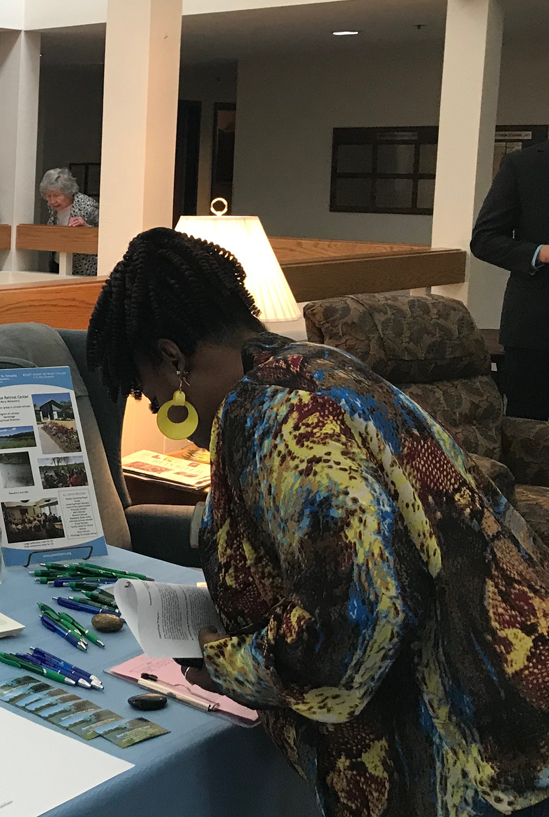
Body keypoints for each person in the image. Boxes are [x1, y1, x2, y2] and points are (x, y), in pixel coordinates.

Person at [86, 227, 549, 817]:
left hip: (469, 756)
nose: (166, 417)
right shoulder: (322, 369)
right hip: (512, 702)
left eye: (153, 399)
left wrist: (225, 664)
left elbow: (358, 615)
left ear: (173, 359)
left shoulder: (274, 418)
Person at [471, 141, 549, 420]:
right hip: (537, 330)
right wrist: (540, 253)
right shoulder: (523, 165)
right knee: (527, 431)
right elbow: (484, 239)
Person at [40, 167, 99, 276]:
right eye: (48, 196)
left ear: (69, 192)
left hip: (83, 268)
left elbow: (105, 234)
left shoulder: (88, 206)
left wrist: (88, 229)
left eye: (57, 196)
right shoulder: (51, 207)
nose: (52, 201)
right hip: (58, 261)